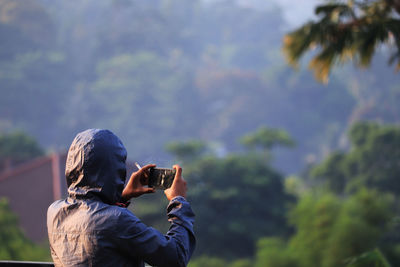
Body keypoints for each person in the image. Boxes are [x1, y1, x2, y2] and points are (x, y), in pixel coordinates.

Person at [47, 129, 196, 267]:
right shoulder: (117, 220)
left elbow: (96, 227)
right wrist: (178, 200)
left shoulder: (54, 212)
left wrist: (122, 197)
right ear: (116, 170)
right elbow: (176, 256)